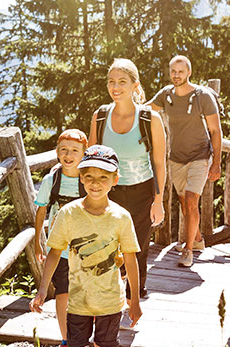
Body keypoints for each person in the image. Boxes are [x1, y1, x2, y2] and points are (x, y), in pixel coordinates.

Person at [30, 145, 142, 347]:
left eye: (103, 177)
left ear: (115, 180)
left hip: (108, 299)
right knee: (76, 346)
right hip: (78, 297)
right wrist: (43, 289)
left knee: (106, 346)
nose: (95, 183)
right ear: (81, 177)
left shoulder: (120, 217)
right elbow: (55, 251)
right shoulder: (68, 214)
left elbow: (130, 258)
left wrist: (134, 300)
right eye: (89, 176)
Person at [88, 58, 166, 304]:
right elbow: (92, 159)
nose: (116, 87)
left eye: (122, 81)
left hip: (141, 192)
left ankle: (134, 296)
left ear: (135, 85)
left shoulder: (150, 119)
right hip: (107, 193)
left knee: (136, 247)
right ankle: (108, 297)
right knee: (106, 245)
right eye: (111, 82)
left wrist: (158, 200)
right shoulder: (100, 117)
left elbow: (159, 163)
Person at [148, 55, 222, 268]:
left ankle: (188, 250)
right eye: (173, 71)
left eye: (181, 71)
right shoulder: (166, 95)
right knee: (183, 202)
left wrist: (216, 162)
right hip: (176, 158)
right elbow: (144, 110)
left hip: (200, 156)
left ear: (189, 72)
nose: (176, 75)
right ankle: (197, 240)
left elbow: (216, 130)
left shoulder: (203, 96)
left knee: (191, 200)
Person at [32, 129, 87, 347]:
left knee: (85, 294)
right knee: (63, 293)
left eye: (75, 150)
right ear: (56, 152)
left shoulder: (89, 178)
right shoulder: (51, 181)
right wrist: (38, 241)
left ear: (84, 154)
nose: (68, 155)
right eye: (64, 150)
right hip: (60, 248)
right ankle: (66, 341)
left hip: (87, 248)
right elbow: (41, 209)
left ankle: (82, 339)